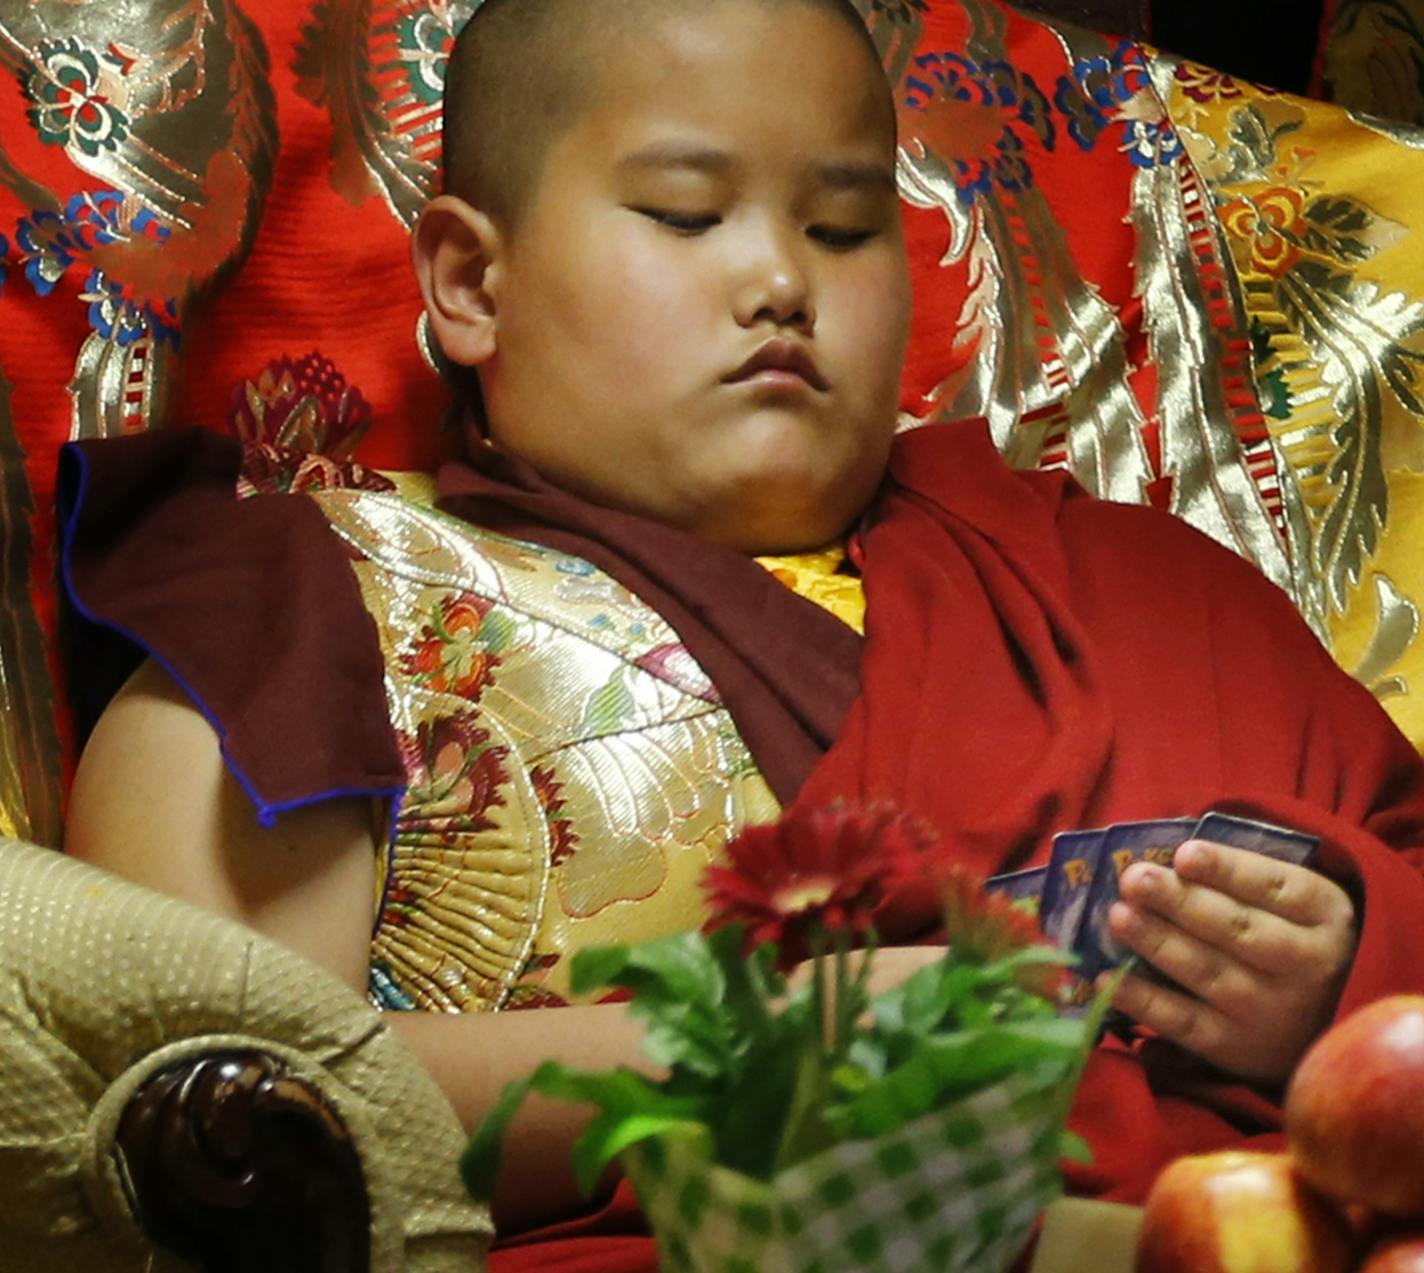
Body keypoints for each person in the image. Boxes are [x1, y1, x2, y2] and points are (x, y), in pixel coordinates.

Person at [56, 0, 1424, 1269]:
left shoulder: (1134, 583)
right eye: (687, 210)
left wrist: (1335, 973)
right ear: (472, 279)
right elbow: (205, 1106)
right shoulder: (324, 587)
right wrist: (774, 1052)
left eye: (841, 226)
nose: (781, 278)